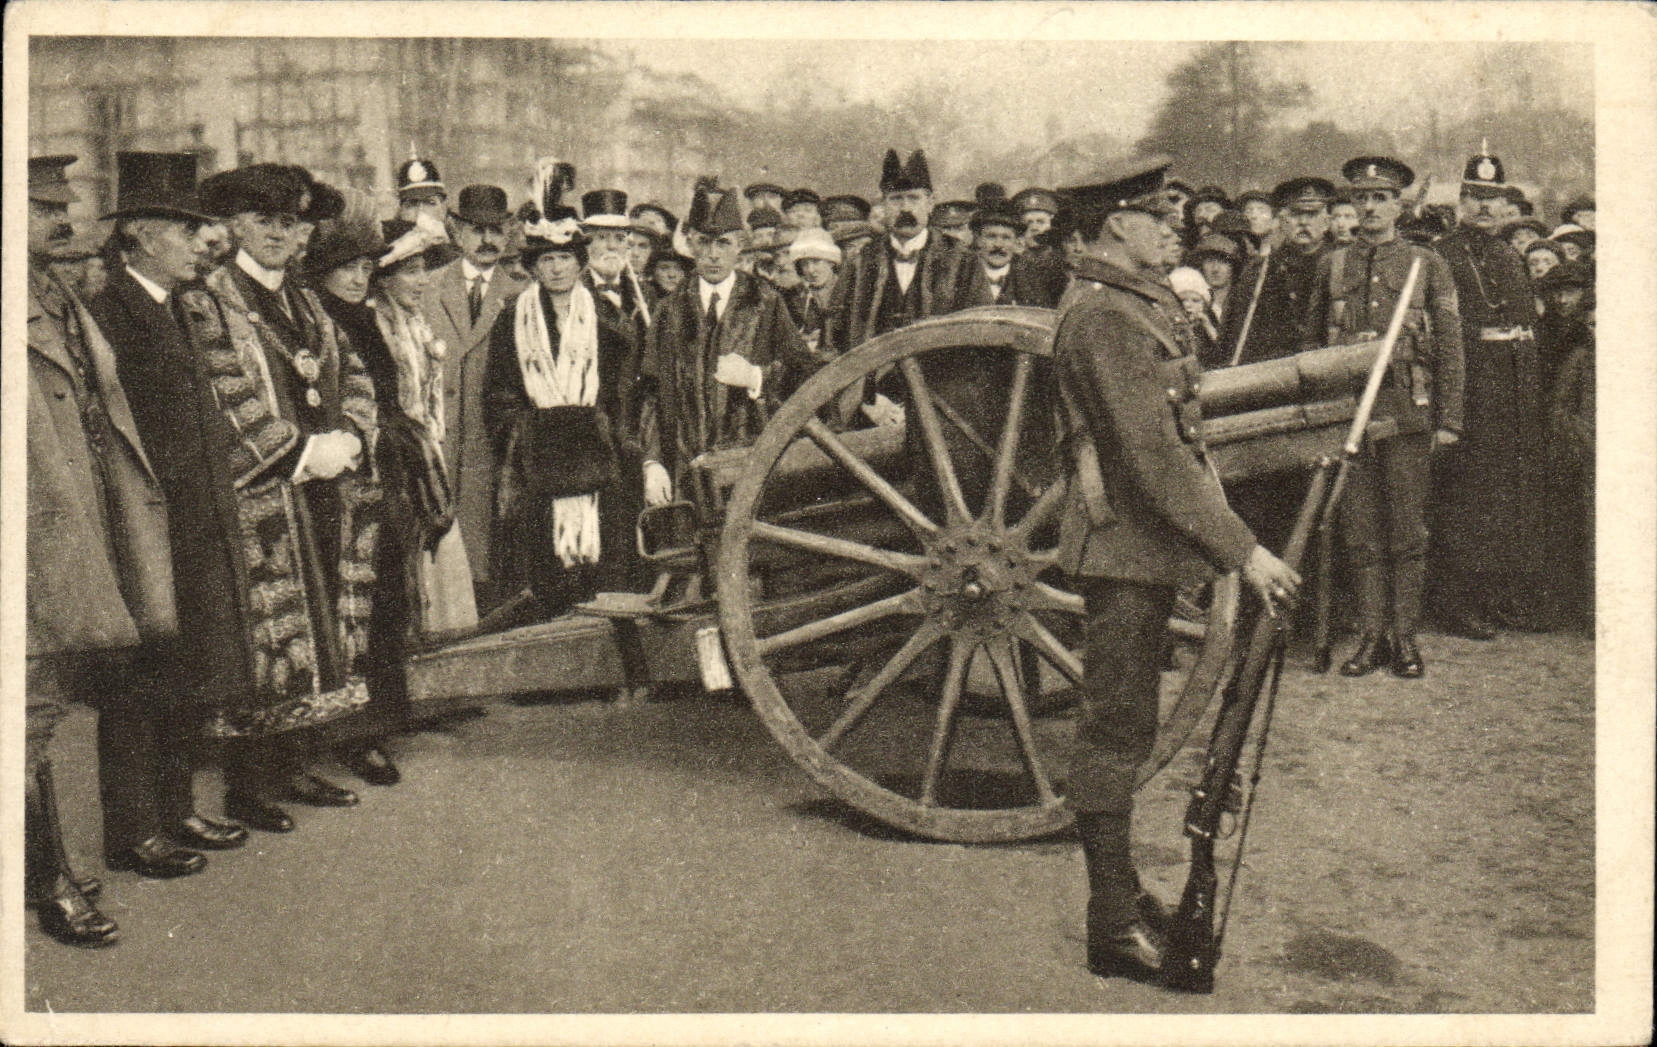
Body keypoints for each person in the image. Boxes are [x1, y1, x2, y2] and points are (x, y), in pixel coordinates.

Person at [1050, 160, 1300, 984]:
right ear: (1115, 223)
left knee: (1121, 725)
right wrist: (1245, 552)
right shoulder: (1102, 318)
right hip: (1122, 546)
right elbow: (1151, 456)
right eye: (1159, 216)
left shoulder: (1130, 300)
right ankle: (1110, 924)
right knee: (1113, 728)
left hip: (1141, 545)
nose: (1175, 229)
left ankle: (1118, 896)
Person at [176, 162, 379, 832]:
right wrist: (297, 451)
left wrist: (350, 434)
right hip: (264, 488)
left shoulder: (305, 299)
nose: (277, 233)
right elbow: (221, 389)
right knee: (266, 633)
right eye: (263, 220)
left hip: (321, 485)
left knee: (317, 628)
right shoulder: (208, 299)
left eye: (288, 222)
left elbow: (350, 368)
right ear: (233, 225)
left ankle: (294, 764)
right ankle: (249, 785)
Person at [87, 151, 254, 883]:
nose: (199, 241)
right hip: (146, 525)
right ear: (144, 234)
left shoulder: (174, 306)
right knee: (139, 681)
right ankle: (133, 830)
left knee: (184, 668)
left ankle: (176, 805)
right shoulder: (108, 313)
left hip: (193, 519)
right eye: (185, 228)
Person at [25, 154, 178, 947]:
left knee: (40, 704)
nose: (63, 218)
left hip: (82, 523)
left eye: (63, 204)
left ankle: (44, 867)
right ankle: (48, 879)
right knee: (27, 711)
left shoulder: (53, 297)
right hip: (32, 538)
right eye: (41, 205)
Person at [309, 212, 479, 786]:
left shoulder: (358, 317)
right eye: (346, 269)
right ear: (323, 273)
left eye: (363, 267)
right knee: (352, 602)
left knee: (385, 595)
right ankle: (355, 731)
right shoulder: (323, 318)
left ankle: (381, 717)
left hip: (385, 465)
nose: (357, 278)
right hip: (341, 472)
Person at [1303, 156, 1464, 679]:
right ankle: (1371, 637)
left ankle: (1405, 637)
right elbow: (1311, 344)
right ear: (1350, 207)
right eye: (1361, 199)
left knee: (1407, 530)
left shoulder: (1425, 263)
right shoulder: (1332, 264)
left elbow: (1451, 346)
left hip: (1407, 411)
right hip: (1348, 413)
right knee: (1359, 529)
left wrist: (1450, 419)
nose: (1370, 208)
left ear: (1399, 206)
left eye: (1381, 199)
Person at [484, 206, 636, 617]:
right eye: (547, 260)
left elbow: (624, 394)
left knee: (601, 573)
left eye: (565, 258)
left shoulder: (607, 318)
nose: (556, 269)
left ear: (579, 262)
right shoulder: (514, 318)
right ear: (534, 267)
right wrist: (534, 434)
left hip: (598, 469)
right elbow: (499, 393)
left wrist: (600, 432)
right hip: (538, 472)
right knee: (543, 575)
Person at [1430, 147, 1546, 636]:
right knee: (1467, 496)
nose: (1484, 207)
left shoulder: (1508, 255)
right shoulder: (1443, 255)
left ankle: (1495, 594)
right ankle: (1456, 601)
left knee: (1507, 496)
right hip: (1473, 392)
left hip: (1514, 394)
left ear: (1506, 206)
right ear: (1460, 201)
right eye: (1475, 196)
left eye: (1493, 198)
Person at [638, 184, 815, 502]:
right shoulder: (669, 310)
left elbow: (803, 373)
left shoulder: (765, 301)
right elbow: (652, 393)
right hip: (685, 467)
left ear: (741, 246)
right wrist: (652, 462)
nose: (713, 254)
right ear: (690, 245)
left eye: (723, 243)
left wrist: (757, 378)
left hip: (750, 465)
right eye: (704, 243)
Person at [421, 184, 530, 614]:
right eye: (475, 230)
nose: (487, 240)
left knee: (490, 568)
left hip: (493, 450)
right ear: (456, 232)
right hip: (443, 449)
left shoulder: (523, 291)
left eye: (496, 230)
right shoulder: (429, 287)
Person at [827, 148, 980, 361]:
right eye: (896, 199)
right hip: (872, 383)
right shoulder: (862, 261)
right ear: (884, 205)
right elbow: (834, 331)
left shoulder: (962, 259)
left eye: (913, 198)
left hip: (940, 383)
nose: (905, 208)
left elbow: (981, 330)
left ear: (930, 202)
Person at [1219, 177, 1336, 367]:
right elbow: (1238, 333)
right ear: (1282, 221)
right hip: (1274, 373)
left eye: (1312, 214)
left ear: (1326, 221)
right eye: (1296, 215)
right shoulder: (1262, 270)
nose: (1303, 222)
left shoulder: (1340, 265)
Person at [783, 226, 842, 353]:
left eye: (816, 262)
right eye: (805, 264)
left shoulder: (847, 291)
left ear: (831, 262)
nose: (810, 270)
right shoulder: (799, 298)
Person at [1186, 233, 1241, 329]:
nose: (1215, 269)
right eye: (1210, 261)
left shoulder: (1241, 304)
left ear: (1233, 267)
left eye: (1223, 262)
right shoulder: (1194, 304)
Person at [1167, 266, 1219, 358]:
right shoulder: (1170, 324)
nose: (1188, 305)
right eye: (1182, 300)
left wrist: (1208, 326)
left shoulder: (1208, 321)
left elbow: (1222, 348)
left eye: (1195, 300)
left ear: (1204, 304)